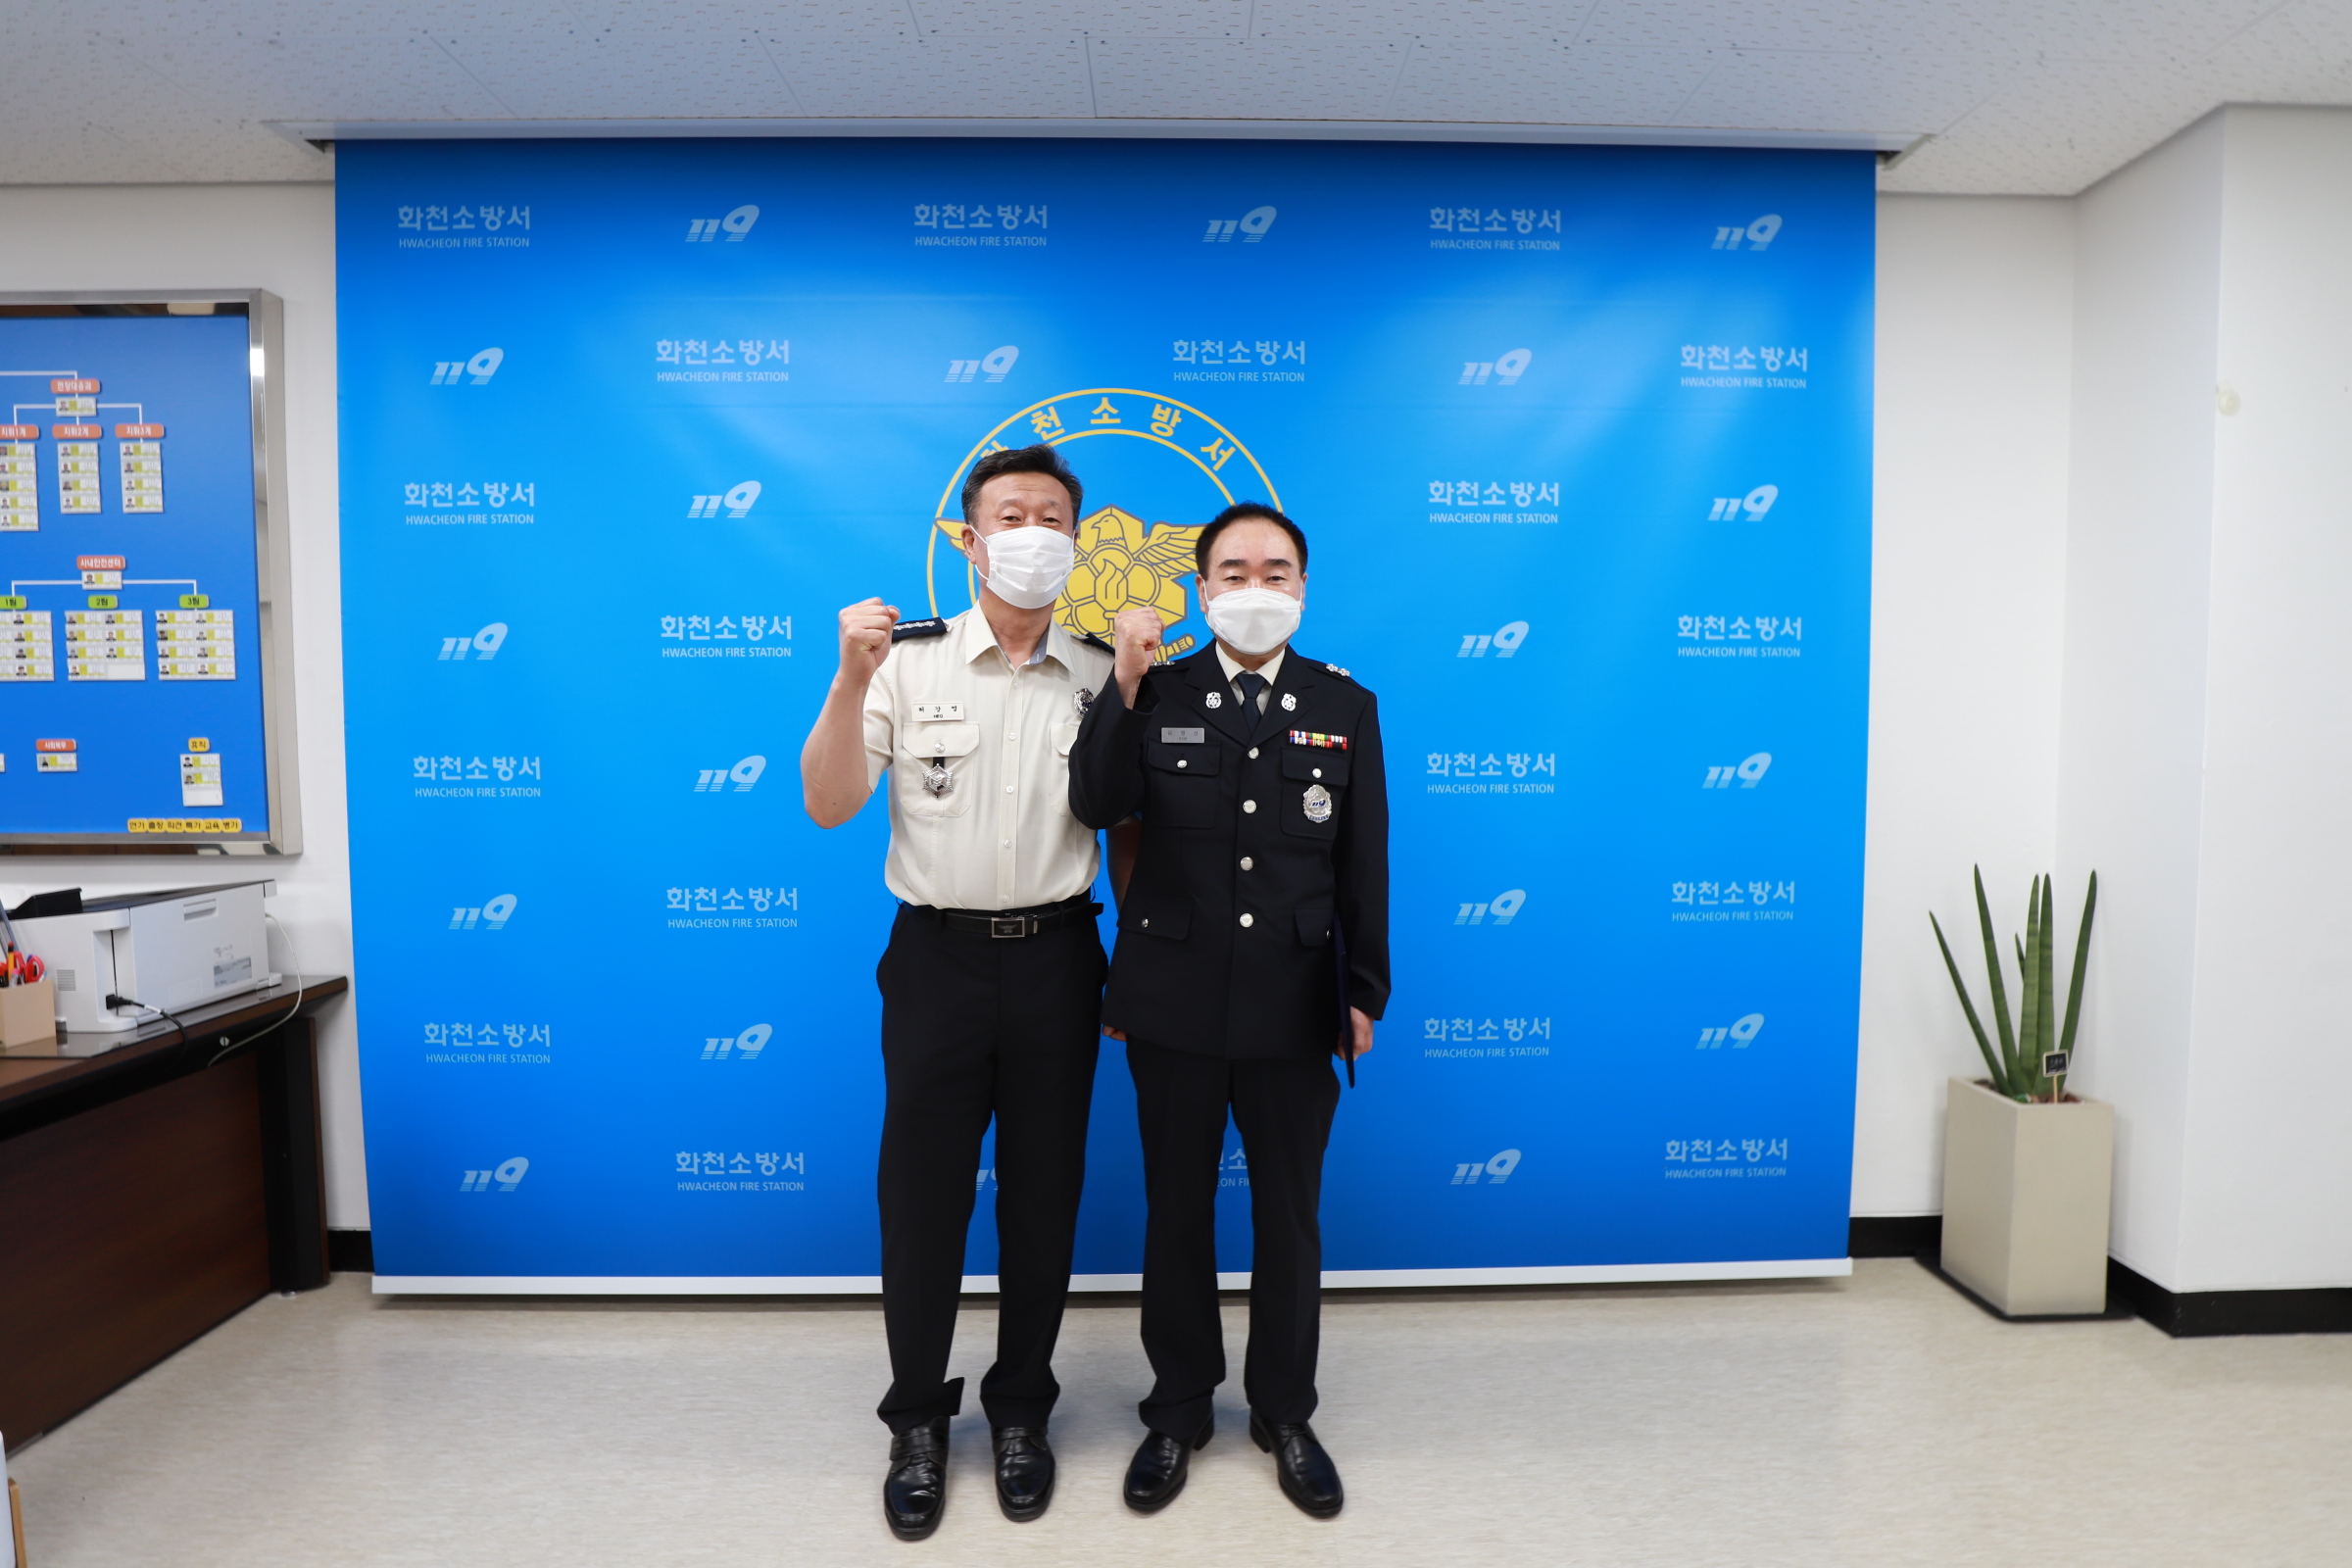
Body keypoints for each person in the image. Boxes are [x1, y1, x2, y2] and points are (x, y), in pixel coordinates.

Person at [800, 443, 1123, 1541]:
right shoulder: (905, 662)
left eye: (1051, 516)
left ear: (1076, 539)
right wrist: (848, 677)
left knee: (1044, 1193)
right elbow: (830, 803)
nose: (1032, 533)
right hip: (937, 959)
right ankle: (917, 1421)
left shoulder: (1101, 674)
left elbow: (1132, 827)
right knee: (923, 1196)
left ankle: (1022, 1410)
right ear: (971, 540)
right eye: (1010, 515)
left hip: (1060, 956)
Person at [1068, 501, 1389, 1520]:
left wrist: (1363, 991)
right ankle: (1177, 1410)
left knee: (1289, 1217)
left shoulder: (1344, 703)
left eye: (1276, 571)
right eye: (1235, 572)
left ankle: (1285, 1412)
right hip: (1172, 1001)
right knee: (1177, 1211)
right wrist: (1123, 684)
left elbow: (1363, 862)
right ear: (1201, 589)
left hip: (1297, 1003)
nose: (1257, 588)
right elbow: (1094, 804)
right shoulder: (1156, 689)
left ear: (1303, 588)